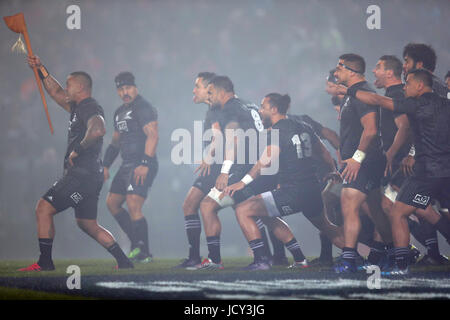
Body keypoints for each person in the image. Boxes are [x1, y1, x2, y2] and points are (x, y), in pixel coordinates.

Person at [329, 68, 450, 274]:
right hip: (445, 175)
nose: (405, 86)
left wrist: (348, 90)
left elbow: (376, 100)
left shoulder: (414, 105)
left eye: (409, 82)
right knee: (430, 211)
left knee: (398, 213)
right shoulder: (446, 104)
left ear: (420, 85)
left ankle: (401, 266)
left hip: (426, 174)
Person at [20, 55, 133, 271]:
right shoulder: (77, 107)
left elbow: (98, 129)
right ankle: (124, 261)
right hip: (90, 175)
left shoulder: (89, 106)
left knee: (43, 208)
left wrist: (78, 149)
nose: (65, 87)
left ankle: (45, 262)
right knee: (87, 224)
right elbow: (55, 92)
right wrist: (41, 69)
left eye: (69, 84)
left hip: (82, 175)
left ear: (80, 87)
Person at [222, 93, 343, 270]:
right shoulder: (304, 126)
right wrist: (333, 170)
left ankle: (261, 260)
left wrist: (243, 182)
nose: (260, 110)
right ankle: (357, 255)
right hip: (312, 190)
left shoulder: (278, 130)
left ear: (274, 109)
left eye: (263, 106)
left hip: (293, 191)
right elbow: (324, 152)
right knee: (328, 227)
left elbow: (267, 160)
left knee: (243, 209)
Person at [195, 76, 282, 270]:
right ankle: (280, 256)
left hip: (246, 169)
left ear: (220, 91)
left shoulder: (230, 108)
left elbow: (234, 140)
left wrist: (225, 171)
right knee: (256, 212)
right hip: (264, 168)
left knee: (208, 206)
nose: (209, 98)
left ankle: (217, 260)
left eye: (211, 93)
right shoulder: (249, 105)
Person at [373, 55, 447, 266]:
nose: (404, 66)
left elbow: (407, 128)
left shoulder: (404, 98)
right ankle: (428, 252)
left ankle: (402, 258)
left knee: (396, 207)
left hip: (410, 164)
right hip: (428, 165)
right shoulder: (422, 97)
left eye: (407, 61)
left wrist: (398, 154)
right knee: (419, 208)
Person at [327, 54, 393, 273]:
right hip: (360, 160)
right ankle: (394, 250)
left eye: (339, 68)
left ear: (351, 71)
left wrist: (356, 159)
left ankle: (349, 259)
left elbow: (371, 129)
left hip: (365, 161)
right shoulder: (350, 94)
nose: (336, 73)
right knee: (375, 210)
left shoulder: (363, 94)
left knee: (348, 202)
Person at [103, 72, 158, 263]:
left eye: (128, 88)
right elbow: (115, 142)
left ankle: (144, 252)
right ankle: (137, 242)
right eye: (121, 89)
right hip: (126, 165)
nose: (124, 92)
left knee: (134, 203)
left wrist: (145, 163)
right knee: (112, 203)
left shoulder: (143, 108)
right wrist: (105, 165)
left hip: (141, 163)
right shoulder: (118, 112)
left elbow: (153, 136)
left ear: (135, 88)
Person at [175, 71, 221, 268]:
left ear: (209, 88)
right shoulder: (215, 109)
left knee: (247, 208)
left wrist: (209, 158)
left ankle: (207, 258)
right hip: (219, 166)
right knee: (191, 205)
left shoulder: (217, 110)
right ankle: (198, 257)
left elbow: (220, 138)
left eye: (197, 86)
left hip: (222, 167)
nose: (193, 90)